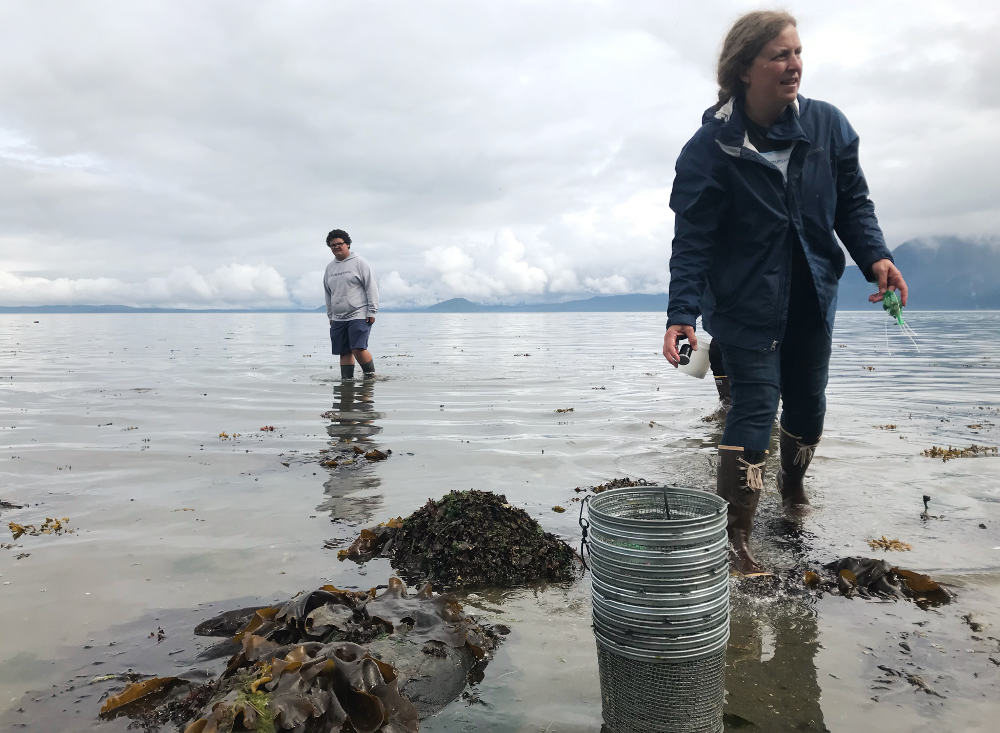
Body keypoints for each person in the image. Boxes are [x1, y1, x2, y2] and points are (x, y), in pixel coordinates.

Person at [662, 11, 908, 574]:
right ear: (744, 69)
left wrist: (877, 258)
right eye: (779, 55)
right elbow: (692, 241)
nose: (794, 65)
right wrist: (681, 314)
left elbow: (852, 205)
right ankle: (735, 542)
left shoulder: (828, 127)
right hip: (744, 302)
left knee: (809, 405)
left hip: (813, 295)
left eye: (797, 53)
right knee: (753, 406)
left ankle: (793, 493)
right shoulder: (708, 150)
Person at [324, 229, 379, 379]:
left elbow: (371, 286)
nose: (336, 247)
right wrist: (330, 315)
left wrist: (372, 311)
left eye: (339, 244)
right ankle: (347, 382)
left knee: (357, 348)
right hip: (338, 316)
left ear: (347, 244)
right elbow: (328, 293)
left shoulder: (360, 262)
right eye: (332, 245)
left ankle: (370, 377)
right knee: (344, 351)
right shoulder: (330, 268)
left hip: (359, 313)